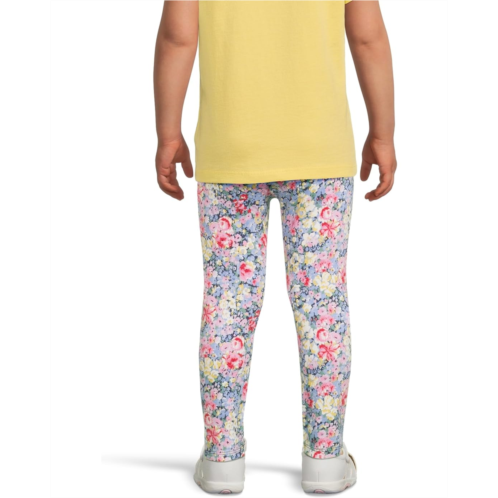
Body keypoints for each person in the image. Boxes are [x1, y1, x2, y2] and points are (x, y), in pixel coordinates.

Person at [154, 0, 397, 494]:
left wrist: (167, 132)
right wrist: (383, 133)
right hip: (319, 150)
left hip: (230, 149)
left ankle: (222, 459)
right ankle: (325, 459)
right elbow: (367, 37)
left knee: (228, 304)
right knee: (322, 305)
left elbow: (178, 37)